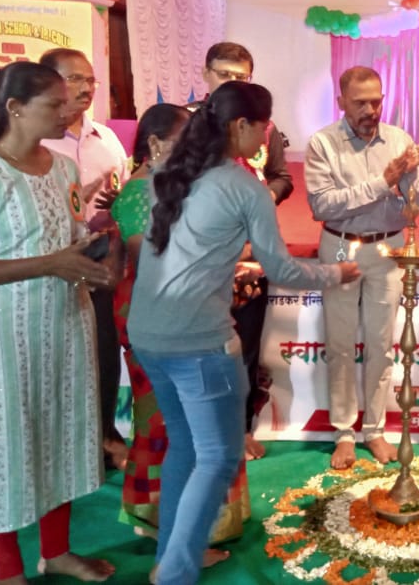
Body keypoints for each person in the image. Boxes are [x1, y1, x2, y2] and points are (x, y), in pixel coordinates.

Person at [126, 81, 359, 585]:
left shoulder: (170, 171)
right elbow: (284, 269)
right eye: (265, 127)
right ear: (241, 125)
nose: (267, 138)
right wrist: (336, 274)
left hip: (148, 334)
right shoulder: (245, 187)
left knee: (186, 447)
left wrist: (225, 268)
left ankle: (171, 555)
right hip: (198, 341)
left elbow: (184, 250)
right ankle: (174, 571)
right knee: (219, 455)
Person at [110, 104, 249, 561]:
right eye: (184, 139)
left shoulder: (170, 187)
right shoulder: (139, 193)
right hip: (161, 322)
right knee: (174, 429)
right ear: (154, 144)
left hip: (177, 316)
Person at [0, 61, 116, 584]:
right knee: (8, 443)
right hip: (7, 335)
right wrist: (51, 264)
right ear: (15, 108)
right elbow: (45, 257)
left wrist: (96, 253)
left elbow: (68, 239)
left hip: (66, 322)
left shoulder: (64, 169)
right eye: (55, 103)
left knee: (60, 434)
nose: (68, 111)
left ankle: (58, 551)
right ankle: (5, 569)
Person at [305, 66, 419, 470]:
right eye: (360, 103)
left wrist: (410, 178)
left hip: (388, 250)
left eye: (376, 101)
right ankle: (344, 433)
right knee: (340, 344)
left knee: (381, 344)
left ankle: (374, 429)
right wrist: (384, 180)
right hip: (340, 247)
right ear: (341, 101)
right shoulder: (323, 143)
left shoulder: (399, 140)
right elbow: (323, 205)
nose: (370, 110)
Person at [189, 42, 294, 460]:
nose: (232, 82)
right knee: (200, 348)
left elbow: (282, 176)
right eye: (224, 74)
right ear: (206, 74)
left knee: (245, 347)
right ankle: (199, 433)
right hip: (200, 261)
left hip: (252, 253)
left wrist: (264, 196)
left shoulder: (265, 128)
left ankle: (240, 430)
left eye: (241, 76)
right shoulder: (186, 124)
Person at [39, 47, 130, 471]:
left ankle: (105, 437)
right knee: (55, 360)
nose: (85, 87)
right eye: (73, 78)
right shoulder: (36, 138)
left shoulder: (106, 140)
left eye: (90, 79)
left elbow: (123, 199)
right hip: (47, 265)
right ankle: (57, 449)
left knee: (103, 354)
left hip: (101, 260)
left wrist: (113, 233)